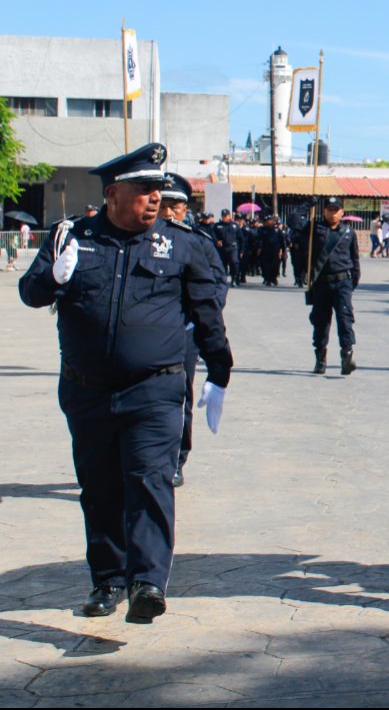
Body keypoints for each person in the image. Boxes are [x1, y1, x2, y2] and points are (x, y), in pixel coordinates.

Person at [17, 144, 232, 621]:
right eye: (143, 190)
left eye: (158, 189)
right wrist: (53, 277)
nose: (155, 198)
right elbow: (30, 295)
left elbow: (206, 312)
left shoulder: (180, 243)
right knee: (100, 488)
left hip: (153, 389)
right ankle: (108, 580)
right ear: (113, 193)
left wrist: (220, 370)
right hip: (87, 389)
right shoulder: (71, 236)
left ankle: (147, 582)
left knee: (150, 481)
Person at [158, 174, 228, 487]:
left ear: (187, 208)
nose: (170, 212)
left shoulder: (198, 242)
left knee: (179, 398)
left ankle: (176, 459)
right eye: (164, 204)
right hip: (148, 334)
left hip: (184, 334)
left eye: (177, 206)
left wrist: (202, 318)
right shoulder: (139, 239)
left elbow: (216, 284)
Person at [307, 197, 361, 375]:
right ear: (324, 211)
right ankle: (320, 359)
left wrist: (352, 282)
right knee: (321, 322)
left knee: (345, 320)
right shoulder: (315, 229)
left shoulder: (348, 232)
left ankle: (346, 357)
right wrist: (308, 204)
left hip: (342, 282)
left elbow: (354, 259)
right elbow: (293, 222)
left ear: (342, 212)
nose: (333, 213)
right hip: (322, 283)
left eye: (336, 210)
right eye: (329, 209)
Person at [213, 210, 240, 288]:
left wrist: (241, 250)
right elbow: (213, 236)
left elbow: (240, 238)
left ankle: (234, 278)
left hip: (232, 247)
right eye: (223, 216)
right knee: (222, 265)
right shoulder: (217, 226)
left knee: (234, 262)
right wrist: (217, 241)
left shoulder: (234, 225)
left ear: (229, 216)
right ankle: (223, 280)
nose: (224, 217)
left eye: (226, 216)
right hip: (222, 248)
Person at [258, 215, 285, 286]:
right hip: (265, 251)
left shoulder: (277, 230)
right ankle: (268, 279)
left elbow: (282, 241)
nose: (268, 222)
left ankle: (274, 278)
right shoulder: (263, 230)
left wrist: (283, 251)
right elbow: (260, 240)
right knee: (266, 266)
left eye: (269, 220)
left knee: (275, 266)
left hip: (275, 251)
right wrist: (259, 248)